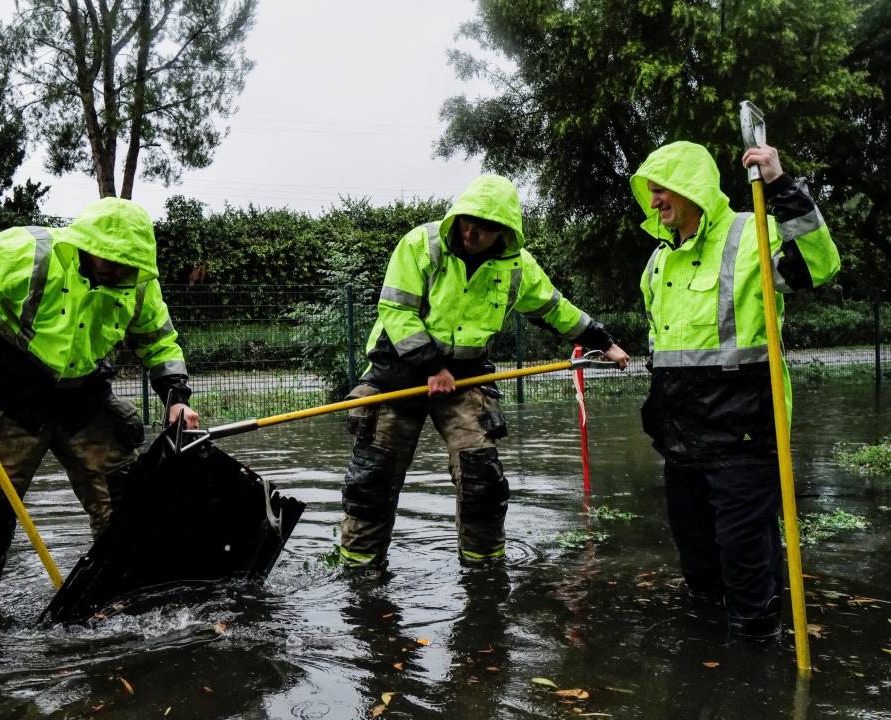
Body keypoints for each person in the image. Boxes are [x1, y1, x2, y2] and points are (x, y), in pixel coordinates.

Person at [0, 197, 199, 623]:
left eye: (128, 265)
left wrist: (176, 396)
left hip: (83, 398)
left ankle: (125, 603)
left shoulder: (140, 281)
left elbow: (158, 340)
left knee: (127, 506)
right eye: (111, 262)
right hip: (5, 391)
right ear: (87, 246)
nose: (119, 272)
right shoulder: (28, 251)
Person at [338, 174, 630, 567]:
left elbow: (554, 309)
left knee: (483, 477)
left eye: (486, 227)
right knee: (372, 477)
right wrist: (433, 366)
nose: (473, 233)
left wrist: (604, 341)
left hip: (467, 377)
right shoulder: (420, 245)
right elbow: (396, 311)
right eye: (467, 221)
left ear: (505, 232)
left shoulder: (517, 267)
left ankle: (484, 570)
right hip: (398, 372)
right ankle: (359, 570)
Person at [630, 140, 840, 639]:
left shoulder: (752, 232)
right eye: (651, 193)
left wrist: (781, 185)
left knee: (746, 558)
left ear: (692, 188)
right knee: (698, 560)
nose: (654, 202)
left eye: (663, 191)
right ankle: (707, 662)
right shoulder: (659, 262)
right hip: (683, 434)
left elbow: (818, 265)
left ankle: (755, 649)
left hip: (745, 429)